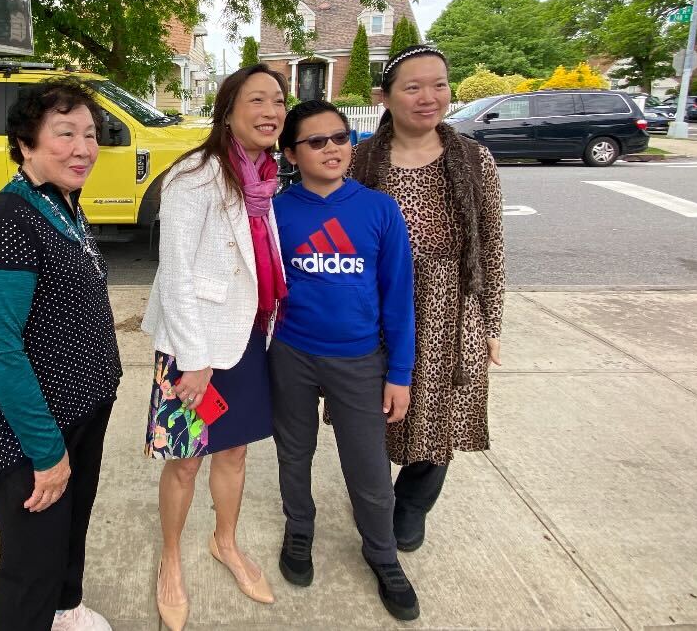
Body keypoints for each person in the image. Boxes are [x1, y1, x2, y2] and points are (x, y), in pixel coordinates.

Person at [0, 77, 123, 631]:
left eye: (90, 134)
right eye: (65, 133)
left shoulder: (62, 203)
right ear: (26, 144)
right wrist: (47, 451)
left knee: (70, 530)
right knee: (31, 563)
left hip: (82, 407)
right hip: (33, 425)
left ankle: (65, 610)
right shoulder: (8, 218)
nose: (84, 147)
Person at [142, 63, 288, 631]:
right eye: (257, 100)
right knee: (184, 461)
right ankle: (171, 560)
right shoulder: (195, 175)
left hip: (246, 337)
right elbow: (176, 273)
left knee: (235, 452)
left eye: (278, 100)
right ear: (228, 111)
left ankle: (224, 542)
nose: (271, 111)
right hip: (194, 347)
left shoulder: (265, 175)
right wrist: (193, 359)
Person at [346, 44, 505, 553]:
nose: (428, 97)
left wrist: (492, 322)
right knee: (373, 409)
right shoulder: (359, 160)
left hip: (450, 307)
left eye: (438, 84)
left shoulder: (475, 159)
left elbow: (492, 243)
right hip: (377, 304)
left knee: (441, 410)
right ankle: (374, 493)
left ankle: (412, 504)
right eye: (412, 87)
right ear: (386, 97)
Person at [270, 100, 420, 621]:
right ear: (291, 154)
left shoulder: (379, 209)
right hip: (291, 353)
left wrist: (399, 373)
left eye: (340, 137)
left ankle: (381, 552)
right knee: (294, 453)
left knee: (368, 467)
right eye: (316, 141)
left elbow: (398, 297)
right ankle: (299, 529)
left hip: (359, 360)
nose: (332, 148)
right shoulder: (277, 211)